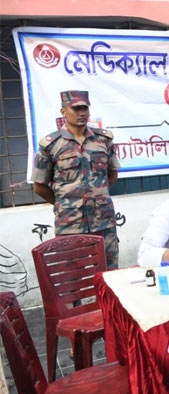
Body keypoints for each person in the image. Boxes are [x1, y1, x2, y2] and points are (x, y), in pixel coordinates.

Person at [31, 90, 121, 269]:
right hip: (70, 227)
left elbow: (112, 174)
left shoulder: (103, 140)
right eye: (76, 108)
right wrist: (64, 204)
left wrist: (98, 195)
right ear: (63, 111)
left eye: (85, 108)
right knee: (72, 281)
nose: (82, 113)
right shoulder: (51, 145)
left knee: (109, 276)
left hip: (103, 222)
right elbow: (39, 186)